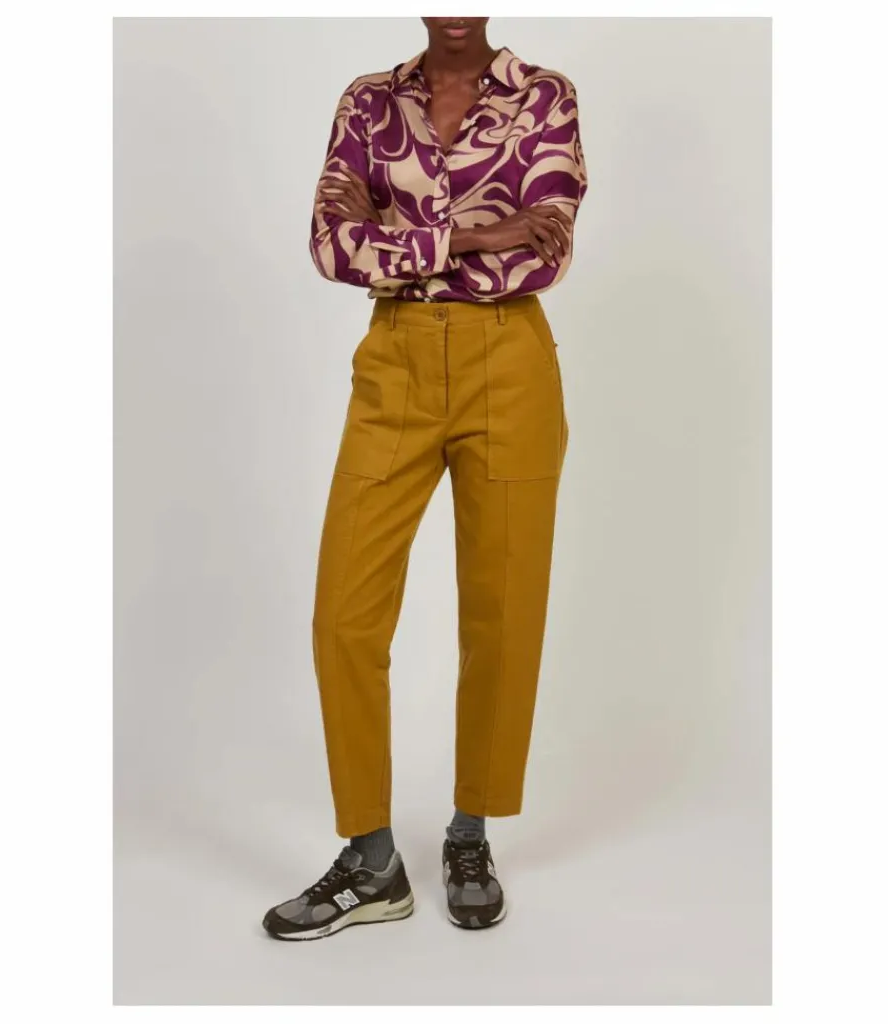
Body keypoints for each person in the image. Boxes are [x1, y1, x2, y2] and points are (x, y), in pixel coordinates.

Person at [263, 16, 587, 941]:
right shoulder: (368, 101)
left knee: (502, 610)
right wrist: (473, 236)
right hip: (395, 361)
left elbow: (546, 246)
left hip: (510, 361)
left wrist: (407, 236)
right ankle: (372, 860)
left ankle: (470, 835)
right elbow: (332, 243)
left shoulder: (546, 97)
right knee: (344, 614)